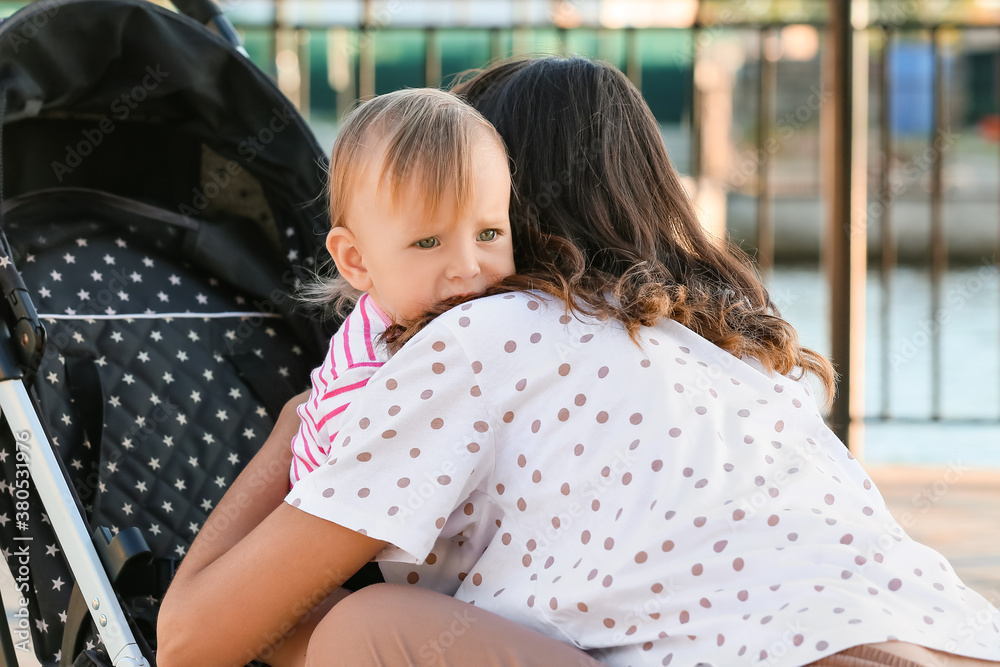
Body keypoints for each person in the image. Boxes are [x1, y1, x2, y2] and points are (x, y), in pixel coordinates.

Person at [157, 57, 1000, 667]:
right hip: (956, 640)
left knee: (357, 629)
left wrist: (295, 425)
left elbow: (189, 638)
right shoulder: (736, 355)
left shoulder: (480, 337)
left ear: (509, 201)